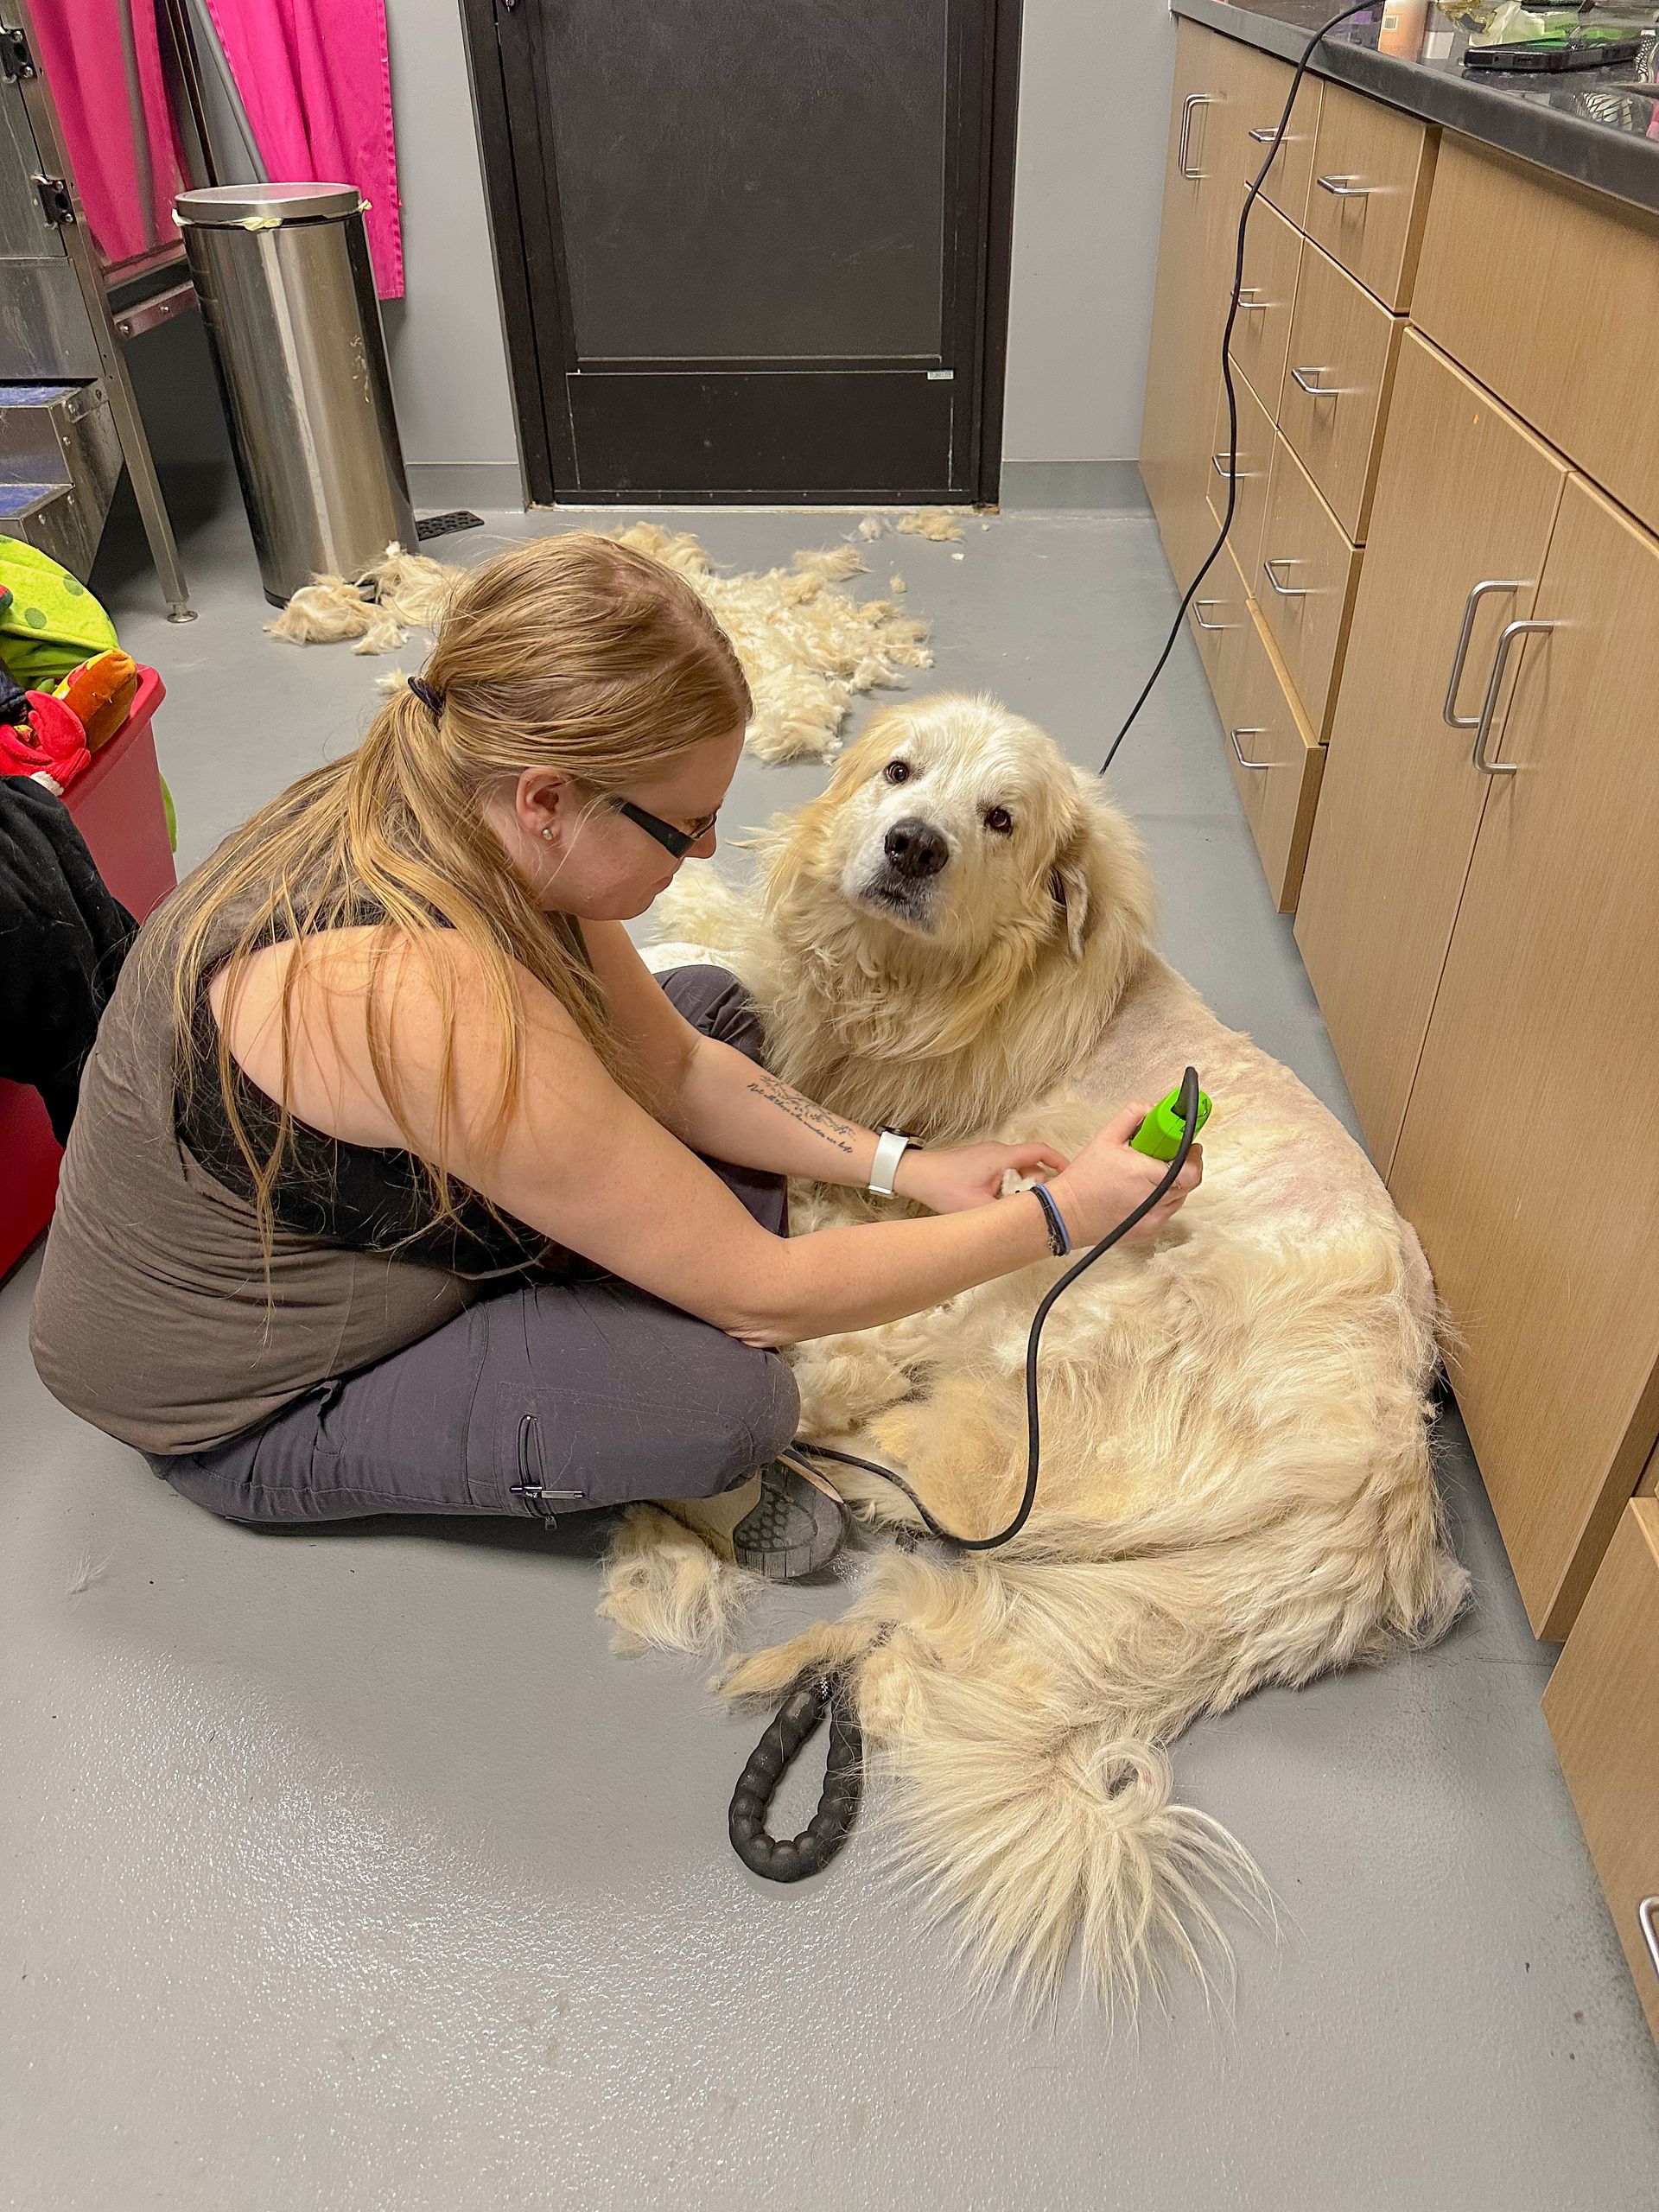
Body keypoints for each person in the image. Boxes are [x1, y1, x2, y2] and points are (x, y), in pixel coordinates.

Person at [30, 534, 1201, 1580]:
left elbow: (680, 1068)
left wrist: (909, 1167)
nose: (702, 855)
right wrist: (1062, 1217)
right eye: (680, 823)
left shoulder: (465, 790)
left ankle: (616, 1261)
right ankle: (588, 1330)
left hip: (386, 1211)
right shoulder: (411, 994)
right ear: (550, 799)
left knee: (709, 1009)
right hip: (249, 1402)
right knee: (732, 1404)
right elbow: (762, 1293)